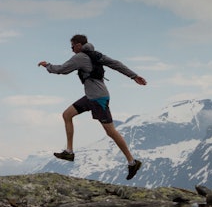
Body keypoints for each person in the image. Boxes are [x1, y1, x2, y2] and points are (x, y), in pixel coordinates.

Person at [38, 33, 147, 180]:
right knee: (67, 114)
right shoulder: (96, 55)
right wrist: (133, 76)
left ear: (78, 45)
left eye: (72, 46)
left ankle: (132, 162)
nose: (71, 50)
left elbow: (62, 70)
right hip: (91, 97)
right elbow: (116, 64)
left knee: (111, 132)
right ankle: (69, 152)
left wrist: (48, 66)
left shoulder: (80, 57)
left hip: (97, 99)